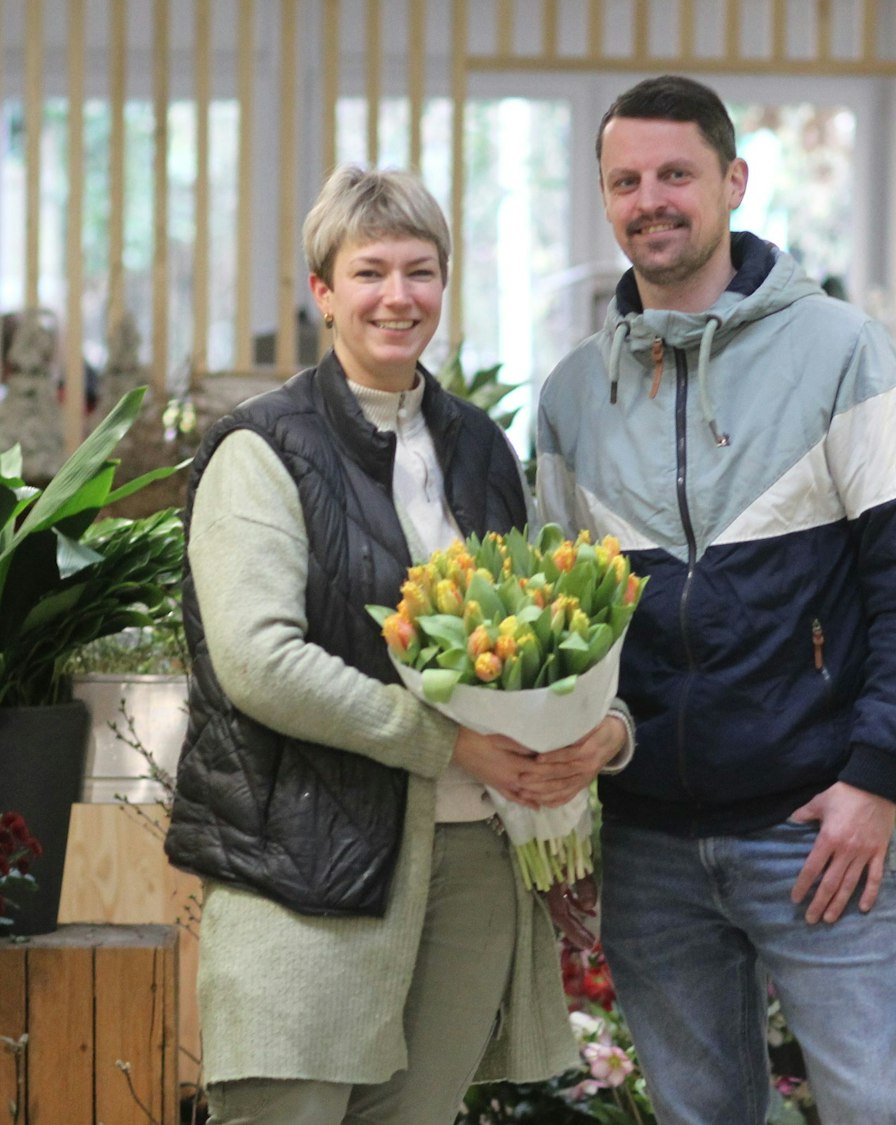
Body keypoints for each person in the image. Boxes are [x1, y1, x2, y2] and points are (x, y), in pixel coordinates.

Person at [533, 75, 896, 1124]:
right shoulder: (572, 397)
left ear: (732, 180)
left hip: (814, 828)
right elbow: (559, 637)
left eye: (674, 173)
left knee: (867, 1110)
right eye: (624, 180)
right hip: (646, 846)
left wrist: (874, 778)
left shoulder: (841, 353)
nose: (650, 199)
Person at [164, 165, 625, 1125]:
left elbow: (538, 634)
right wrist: (447, 741)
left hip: (470, 866)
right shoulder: (262, 449)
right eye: (370, 271)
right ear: (323, 292)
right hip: (308, 864)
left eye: (421, 271)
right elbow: (259, 662)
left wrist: (591, 728)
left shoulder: (480, 449)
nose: (398, 296)